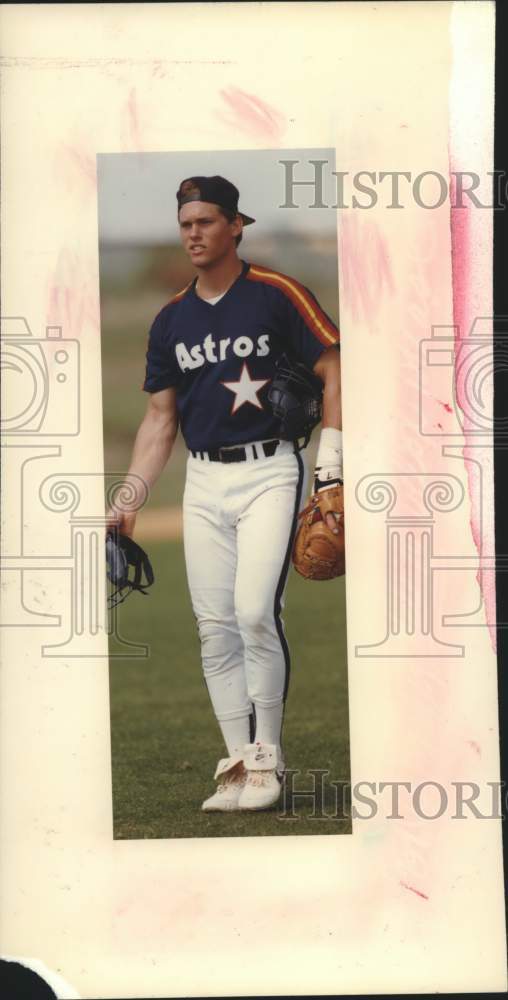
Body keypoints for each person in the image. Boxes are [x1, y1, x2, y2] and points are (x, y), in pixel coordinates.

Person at [108, 175, 342, 812]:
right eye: (186, 223)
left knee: (255, 615)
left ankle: (269, 757)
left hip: (272, 470)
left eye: (206, 221)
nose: (193, 233)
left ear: (237, 226)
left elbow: (331, 364)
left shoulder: (275, 293)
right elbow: (160, 420)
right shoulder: (171, 320)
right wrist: (128, 496)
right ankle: (236, 763)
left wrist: (332, 467)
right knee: (214, 629)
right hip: (204, 479)